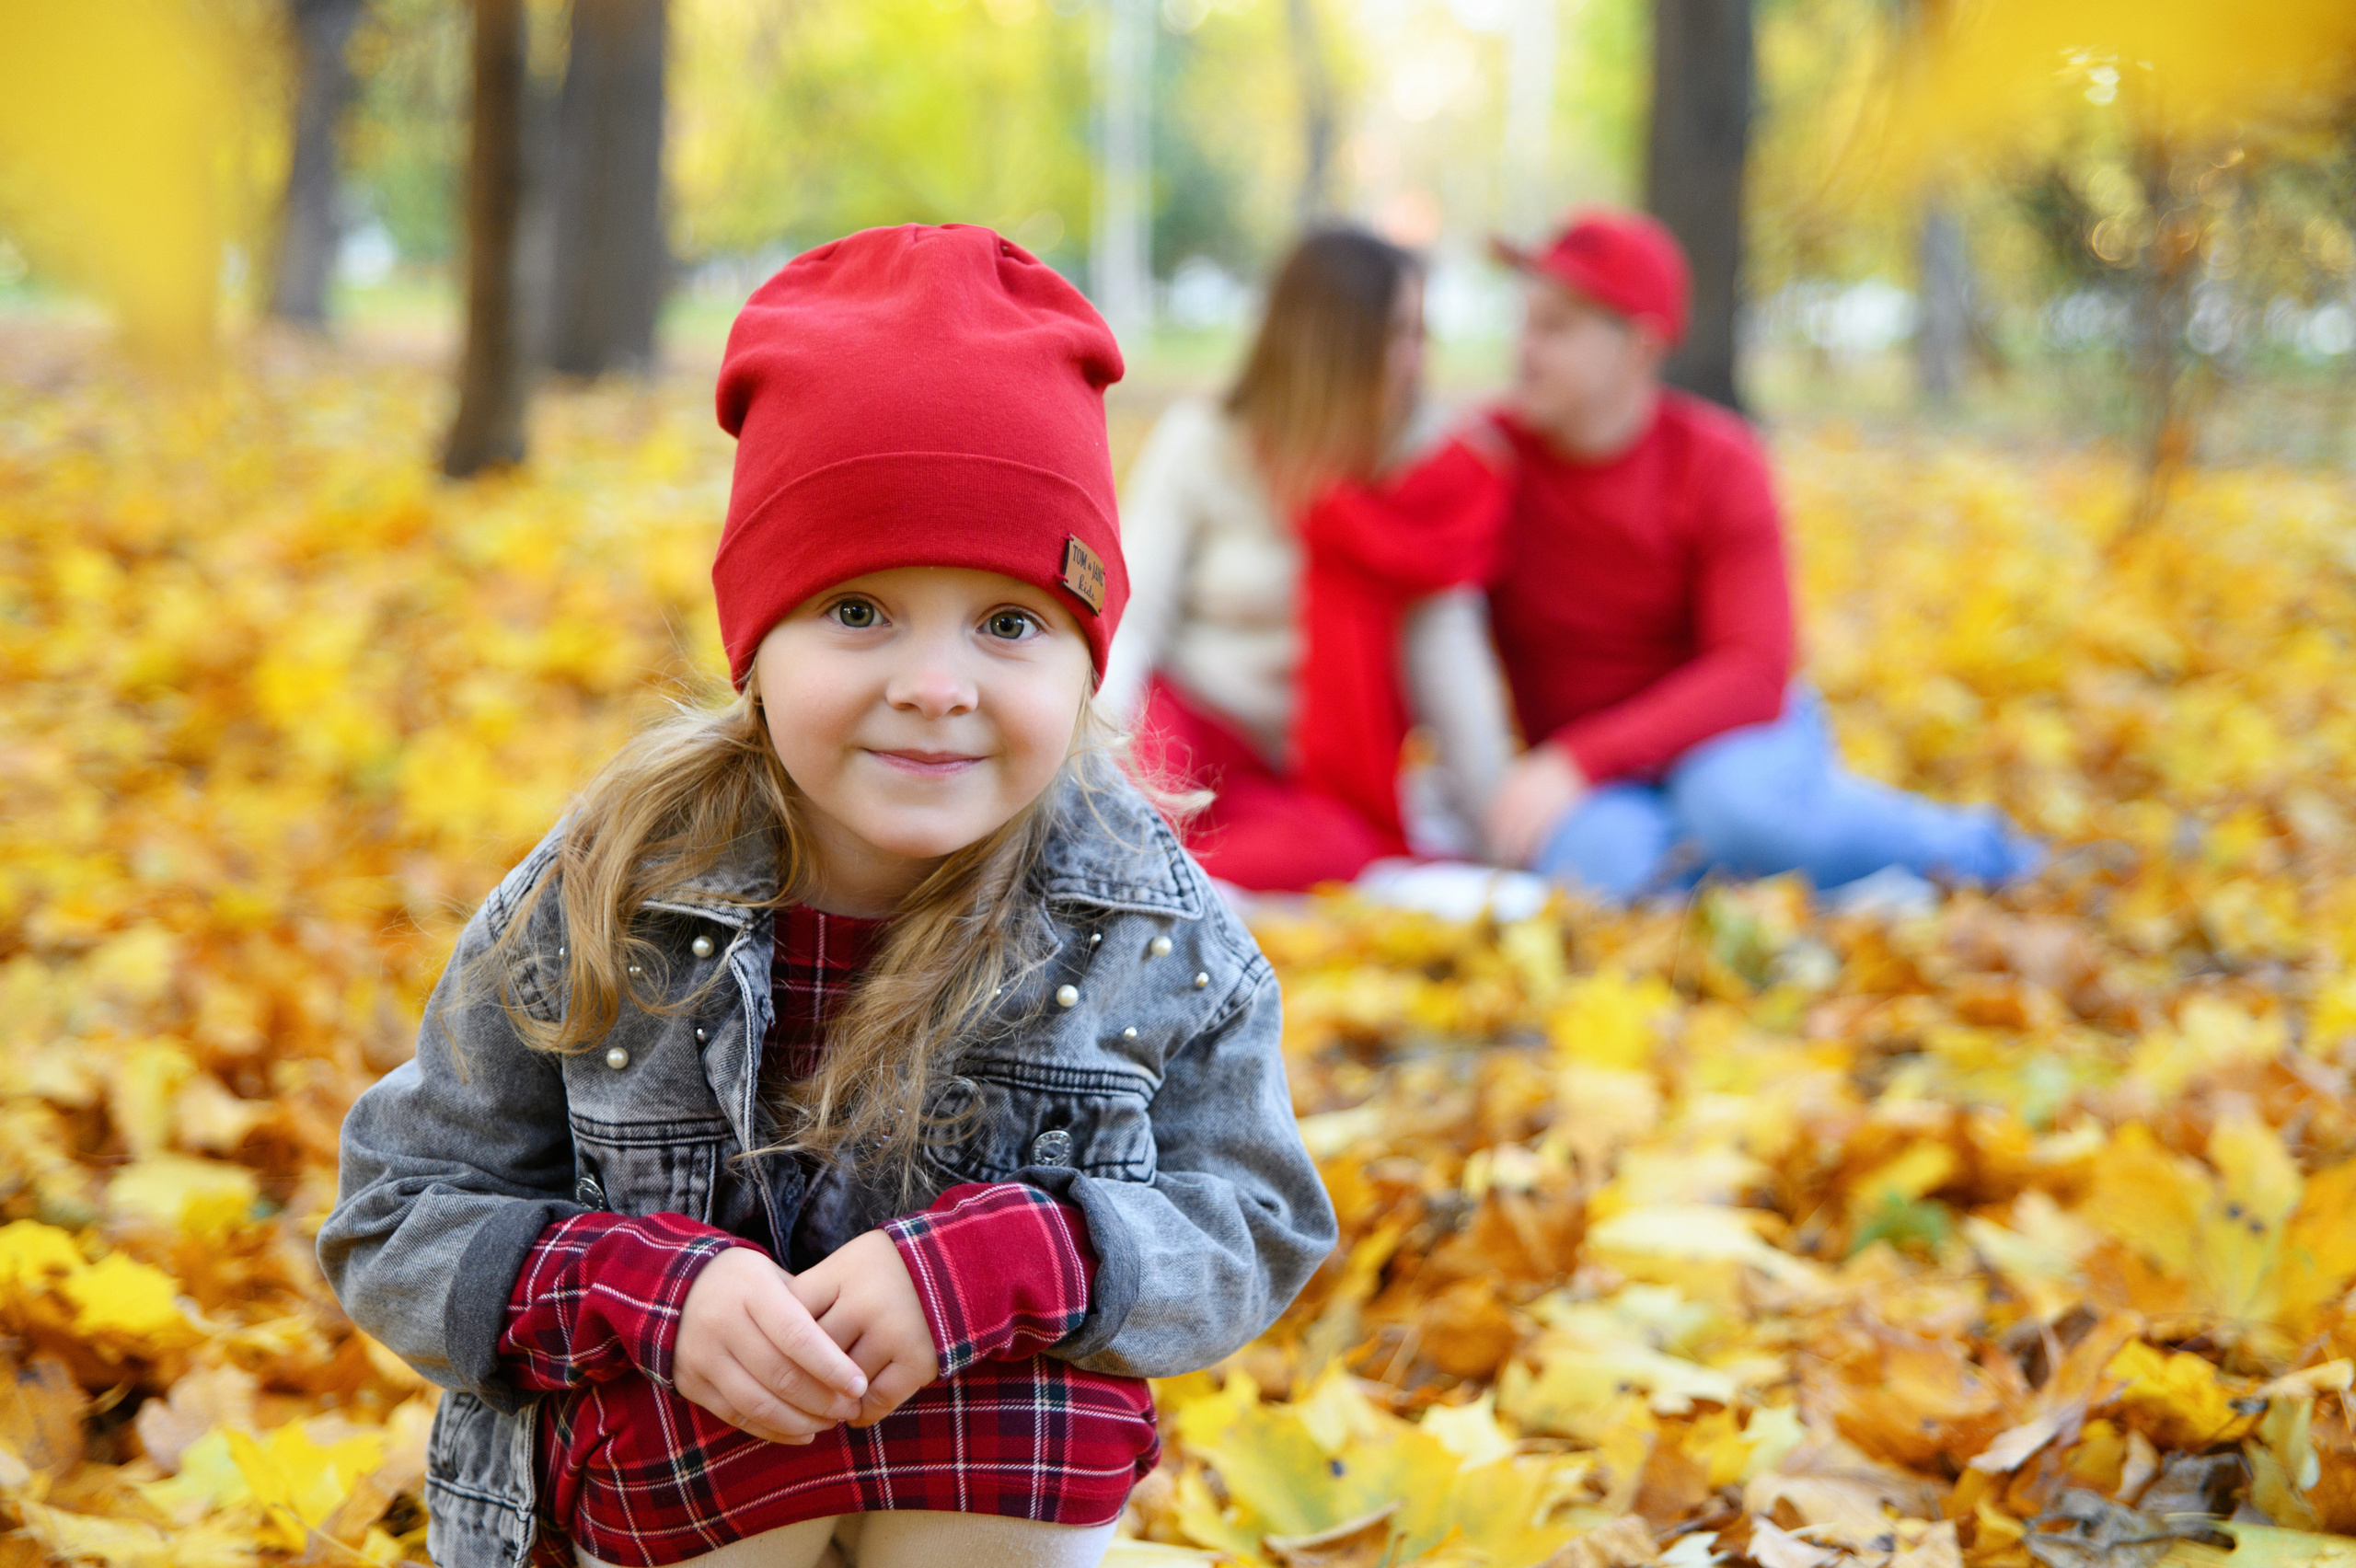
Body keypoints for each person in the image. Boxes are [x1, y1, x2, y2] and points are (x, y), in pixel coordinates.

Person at [318, 225, 1336, 1568]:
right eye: (858, 611)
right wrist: (650, 1291)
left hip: (969, 1477)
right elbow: (396, 1215)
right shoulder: (610, 892)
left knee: (1037, 1417)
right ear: (758, 644)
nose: (934, 684)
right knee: (728, 1438)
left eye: (1008, 622)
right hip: (678, 1483)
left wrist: (1026, 1256)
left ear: (1088, 657)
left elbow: (1258, 1220)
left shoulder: (1148, 927)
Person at [1475, 210, 2040, 899]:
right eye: (1525, 321)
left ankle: (1985, 851)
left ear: (1639, 349)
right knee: (1603, 872)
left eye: (1555, 328)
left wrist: (1576, 760)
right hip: (1598, 781)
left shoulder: (1715, 462)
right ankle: (1822, 899)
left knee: (1738, 812)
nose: (1522, 350)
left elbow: (1752, 671)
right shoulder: (1486, 461)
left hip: (1725, 739)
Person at [1104, 227, 1512, 891]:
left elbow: (1450, 664)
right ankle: (1141, 864)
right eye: (1397, 333)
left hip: (1301, 775)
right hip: (1184, 728)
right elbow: (1129, 619)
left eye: (1419, 333)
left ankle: (1160, 882)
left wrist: (1504, 832)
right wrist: (1095, 766)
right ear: (1331, 340)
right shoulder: (1204, 442)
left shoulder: (1423, 474)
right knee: (1132, 795)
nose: (1417, 358)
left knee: (1340, 854)